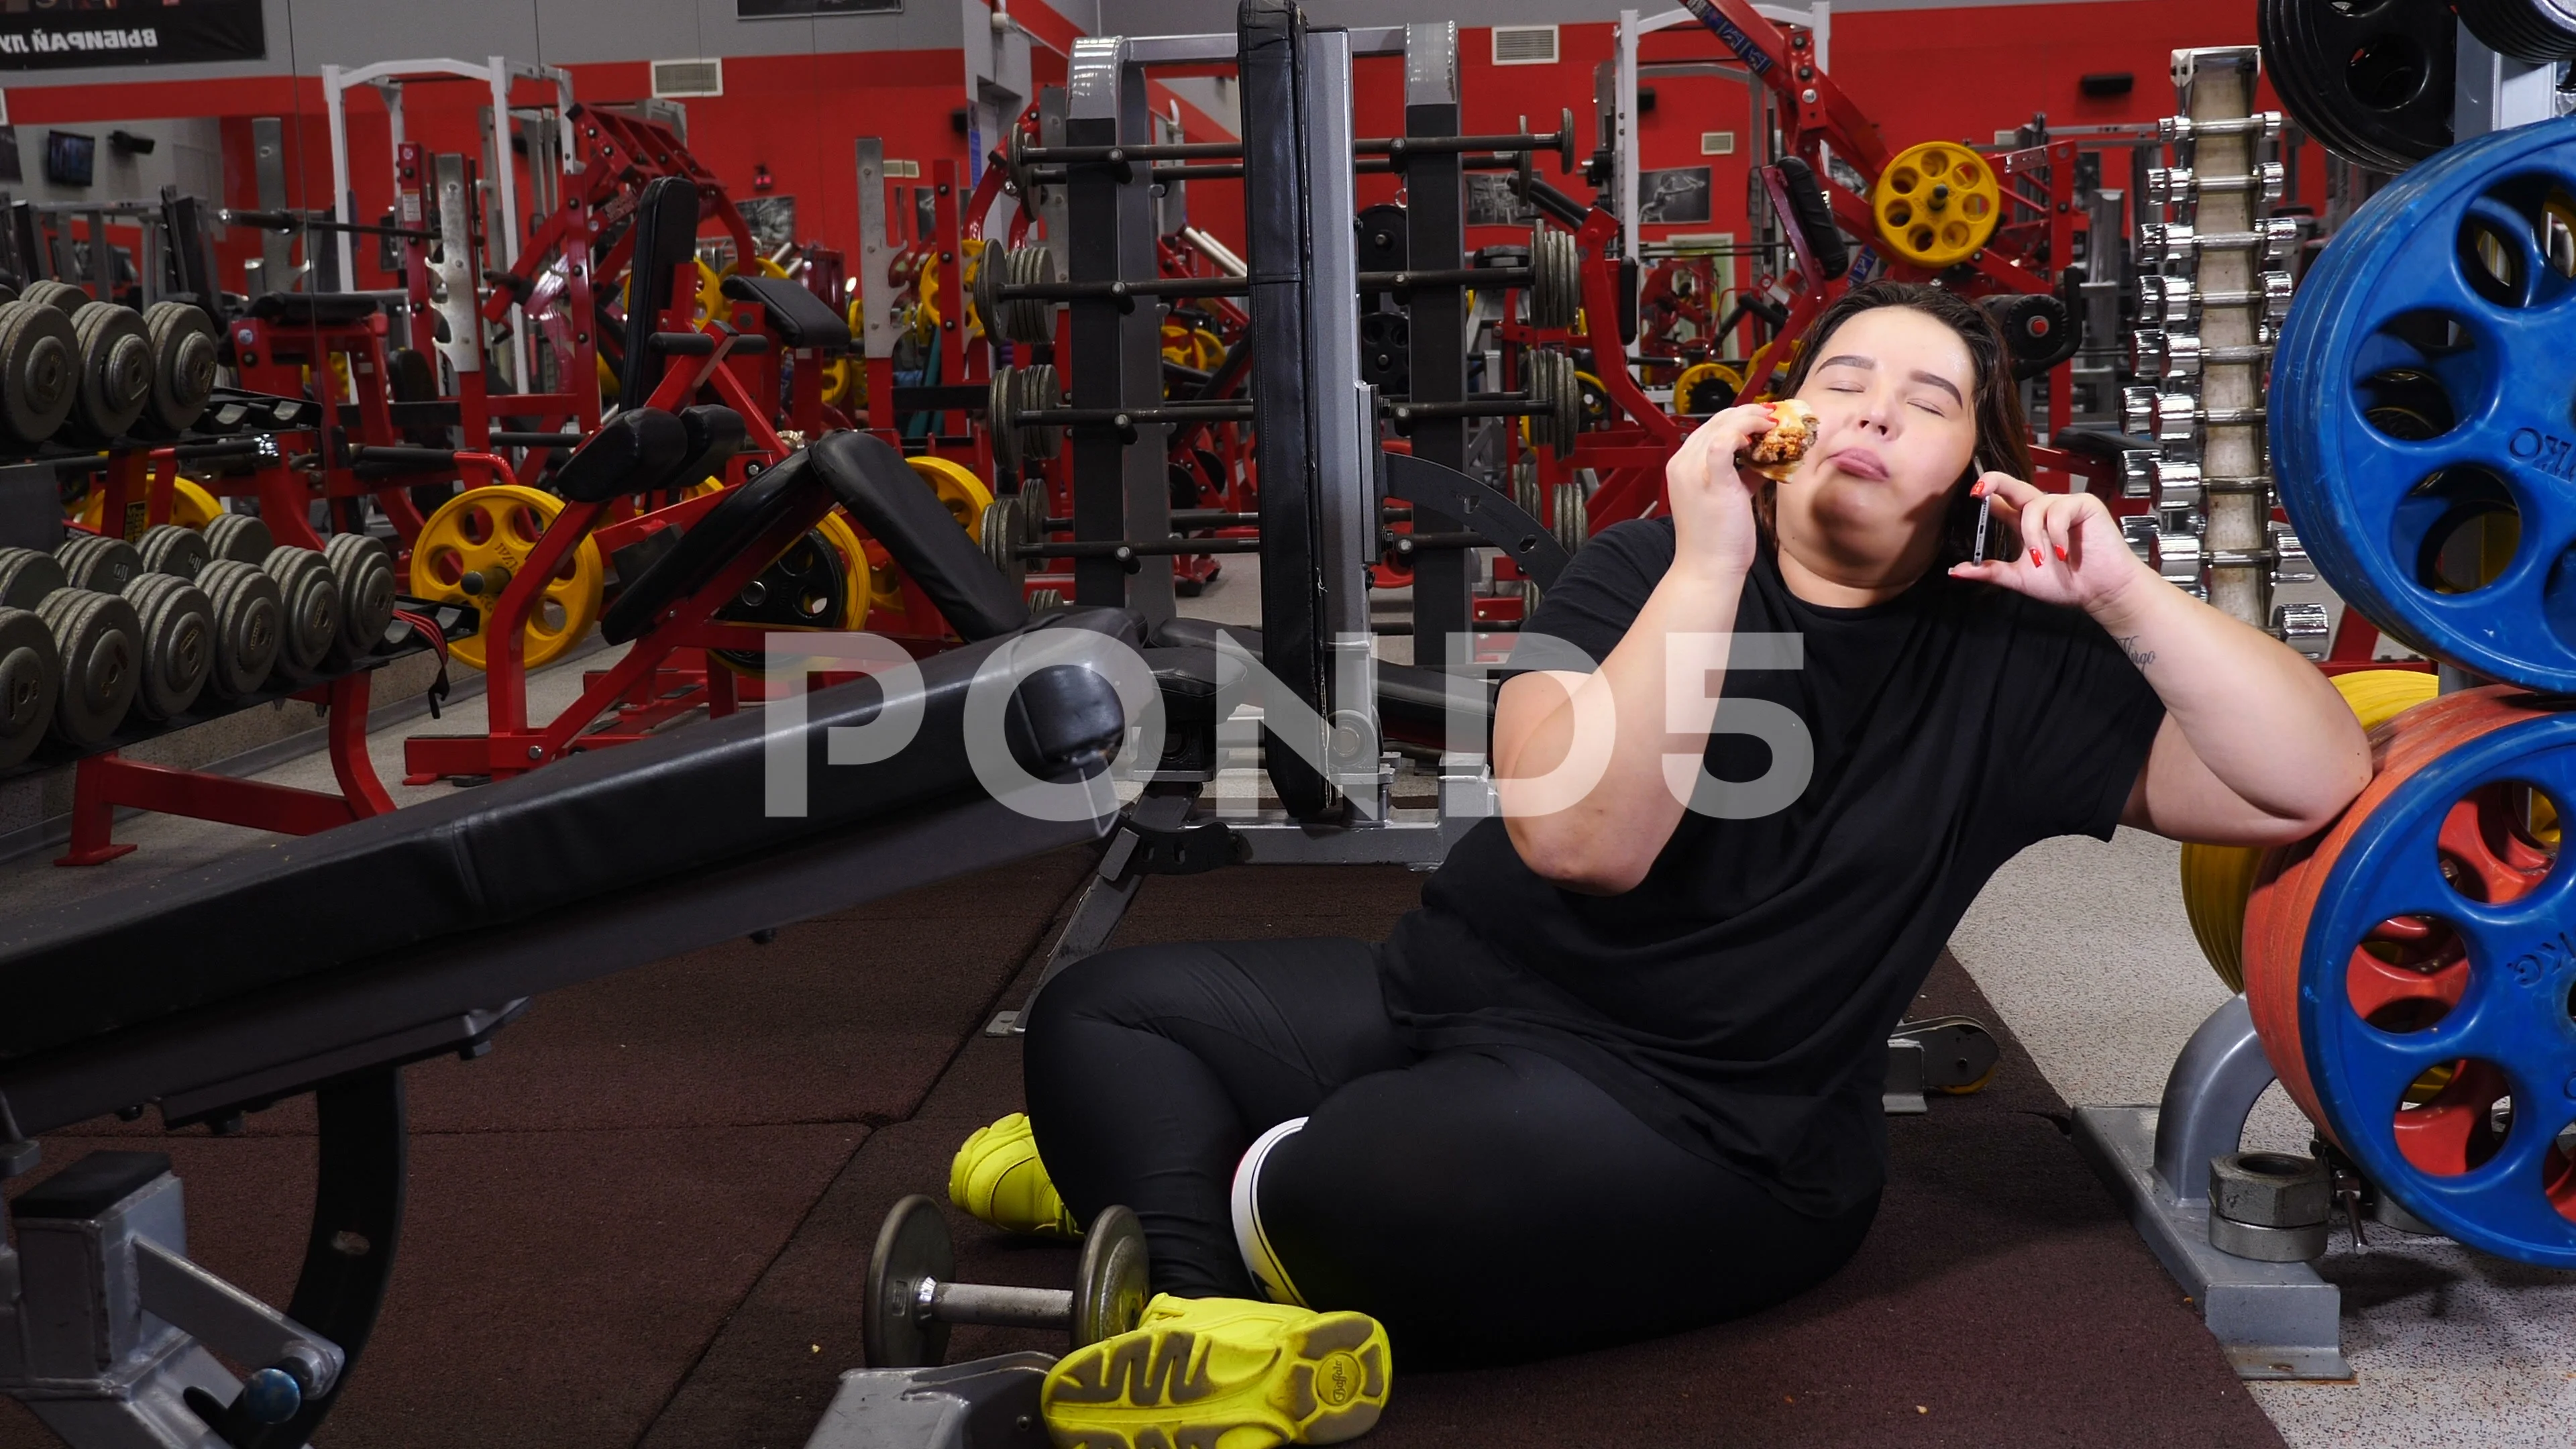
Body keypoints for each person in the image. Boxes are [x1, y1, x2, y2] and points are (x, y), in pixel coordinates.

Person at [954, 280, 2373, 1448]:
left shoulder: (2018, 662)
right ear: (1780, 421)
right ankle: (1203, 1313)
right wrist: (1706, 563)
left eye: (1930, 401)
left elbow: (2311, 775)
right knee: (1105, 1015)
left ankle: (1161, 1203)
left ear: (1974, 476)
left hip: (1713, 1136)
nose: (1877, 405)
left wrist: (2127, 595)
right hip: (1444, 1010)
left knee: (1350, 1184)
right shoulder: (1643, 565)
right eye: (1849, 375)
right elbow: (1579, 839)